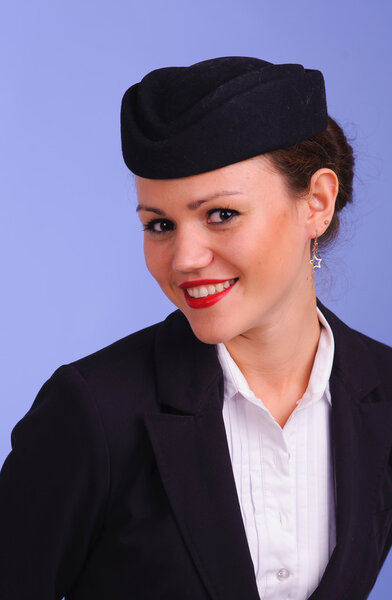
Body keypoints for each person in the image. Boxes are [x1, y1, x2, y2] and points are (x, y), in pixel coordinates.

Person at [0, 56, 391, 600]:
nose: (184, 258)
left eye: (221, 214)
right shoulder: (93, 411)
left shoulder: (384, 391)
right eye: (159, 224)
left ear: (317, 204)